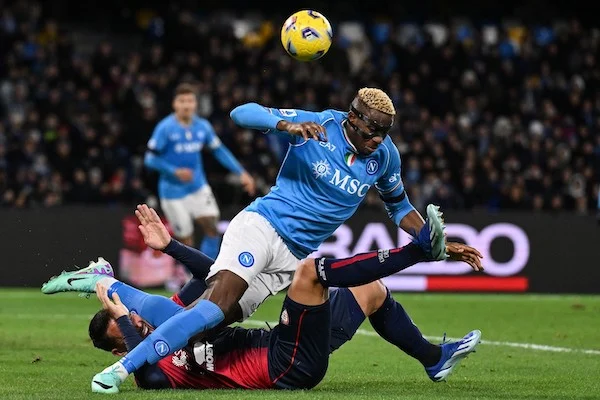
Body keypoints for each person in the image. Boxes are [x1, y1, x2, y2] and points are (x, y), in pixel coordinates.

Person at [83, 87, 484, 391]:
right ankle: (123, 366)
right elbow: (241, 113)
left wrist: (434, 239)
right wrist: (285, 125)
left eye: (385, 133)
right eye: (372, 130)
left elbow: (399, 207)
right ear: (353, 118)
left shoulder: (385, 157)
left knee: (367, 290)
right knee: (217, 304)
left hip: (291, 256)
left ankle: (434, 359)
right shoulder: (317, 126)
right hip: (262, 226)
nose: (378, 139)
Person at [42, 207, 480, 393]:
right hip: (283, 367)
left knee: (371, 291)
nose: (138, 321)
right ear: (120, 350)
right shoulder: (155, 375)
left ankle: (433, 358)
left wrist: (169, 246)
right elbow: (146, 369)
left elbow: (213, 280)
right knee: (309, 273)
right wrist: (122, 314)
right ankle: (418, 252)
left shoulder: (176, 322)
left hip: (284, 346)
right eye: (128, 327)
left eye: (133, 318)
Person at [144, 82, 256, 260]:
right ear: (175, 104)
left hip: (198, 187)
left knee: (212, 228)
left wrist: (241, 172)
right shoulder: (165, 128)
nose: (186, 105)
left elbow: (219, 150)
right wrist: (174, 171)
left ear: (195, 104)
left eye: (190, 101)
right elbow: (150, 159)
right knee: (186, 240)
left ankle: (207, 270)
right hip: (173, 193)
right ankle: (191, 273)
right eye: (182, 101)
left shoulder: (202, 126)